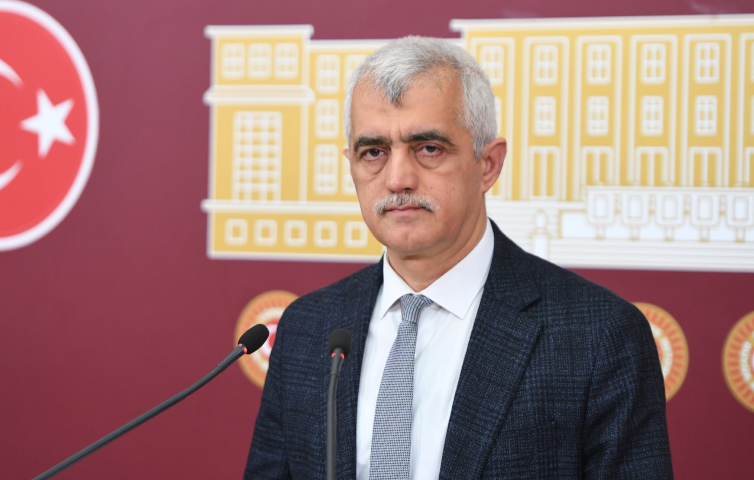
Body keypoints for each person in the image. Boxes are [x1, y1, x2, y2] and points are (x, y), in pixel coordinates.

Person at [245, 36, 672, 479]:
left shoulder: (599, 336)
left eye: (428, 148)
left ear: (488, 164)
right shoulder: (307, 328)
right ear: (351, 163)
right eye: (374, 152)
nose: (397, 178)